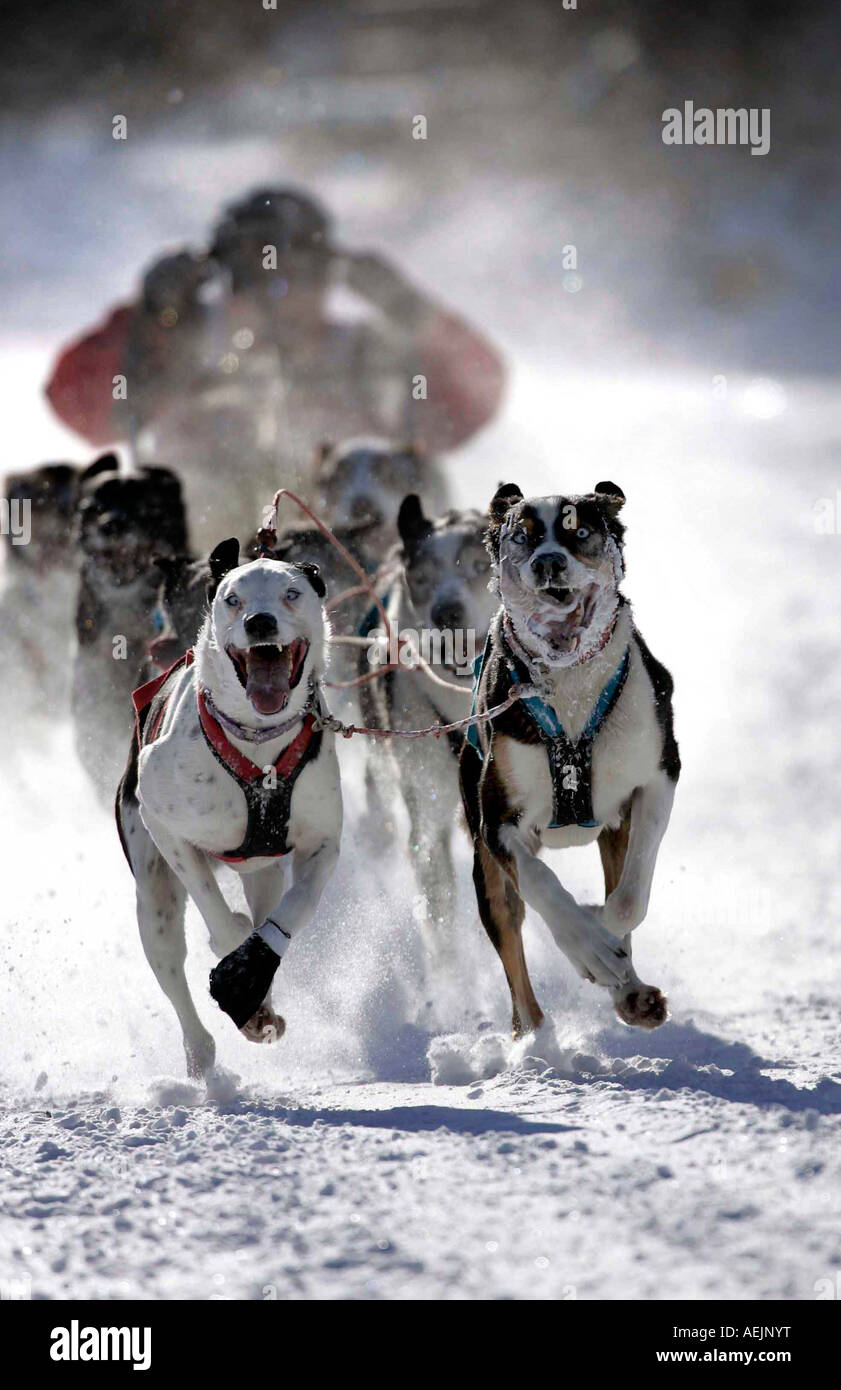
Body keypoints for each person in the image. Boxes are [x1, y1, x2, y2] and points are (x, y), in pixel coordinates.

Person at [45, 188, 506, 546]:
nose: (276, 295)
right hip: (196, 586)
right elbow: (73, 402)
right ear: (227, 279)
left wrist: (414, 313)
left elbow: (477, 397)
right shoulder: (182, 345)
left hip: (349, 583)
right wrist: (148, 319)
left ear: (326, 275)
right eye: (257, 275)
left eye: (298, 273)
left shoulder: (368, 354)